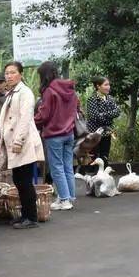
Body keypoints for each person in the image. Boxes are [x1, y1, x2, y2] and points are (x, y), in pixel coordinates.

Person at [0, 61, 44, 229]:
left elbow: (25, 119)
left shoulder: (25, 92)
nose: (8, 76)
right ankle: (26, 214)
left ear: (20, 74)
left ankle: (31, 217)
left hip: (22, 143)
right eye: (7, 73)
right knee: (18, 179)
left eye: (12, 72)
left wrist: (18, 141)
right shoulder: (12, 93)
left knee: (24, 180)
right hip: (14, 143)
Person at [34, 61, 79, 211]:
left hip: (54, 135)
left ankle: (64, 200)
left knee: (56, 168)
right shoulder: (70, 89)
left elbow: (44, 115)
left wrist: (31, 121)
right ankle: (68, 197)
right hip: (69, 133)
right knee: (67, 167)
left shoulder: (49, 91)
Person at [85, 77, 121, 163]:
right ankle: (93, 174)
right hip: (95, 133)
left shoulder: (110, 98)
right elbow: (95, 117)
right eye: (106, 85)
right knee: (94, 157)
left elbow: (117, 111)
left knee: (105, 155)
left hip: (107, 132)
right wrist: (109, 116)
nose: (108, 87)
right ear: (98, 86)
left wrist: (103, 114)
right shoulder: (92, 99)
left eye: (109, 85)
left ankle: (104, 174)